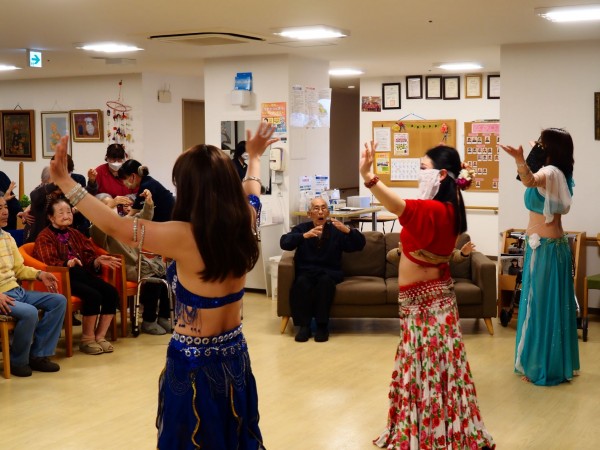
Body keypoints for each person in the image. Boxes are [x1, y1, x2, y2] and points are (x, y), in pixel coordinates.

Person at [49, 122, 277, 448]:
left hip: (192, 364)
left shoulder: (183, 236)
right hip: (235, 355)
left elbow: (114, 225)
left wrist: (65, 182)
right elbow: (252, 189)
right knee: (234, 435)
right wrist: (254, 157)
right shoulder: (245, 218)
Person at [360, 142, 495, 449]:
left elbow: (397, 206)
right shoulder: (449, 208)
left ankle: (431, 436)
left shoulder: (436, 210)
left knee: (428, 369)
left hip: (425, 306)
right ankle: (439, 431)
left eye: (423, 168)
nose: (419, 174)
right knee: (439, 369)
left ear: (442, 174)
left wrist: (369, 176)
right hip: (432, 302)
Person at [501, 128, 579, 386]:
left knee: (540, 306)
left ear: (551, 149)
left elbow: (530, 181)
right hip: (554, 247)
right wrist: (535, 154)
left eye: (543, 143)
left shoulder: (550, 173)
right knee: (553, 305)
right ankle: (554, 363)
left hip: (544, 249)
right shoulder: (562, 174)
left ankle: (541, 366)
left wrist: (519, 159)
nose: (539, 146)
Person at [33, 198, 122, 355]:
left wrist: (96, 261)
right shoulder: (44, 236)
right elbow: (47, 261)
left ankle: (100, 336)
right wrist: (67, 263)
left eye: (69, 212)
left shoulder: (75, 233)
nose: (66, 215)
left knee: (111, 292)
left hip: (82, 274)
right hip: (62, 278)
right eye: (61, 212)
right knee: (93, 295)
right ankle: (87, 340)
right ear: (51, 217)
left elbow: (88, 256)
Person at [280, 197, 366, 342]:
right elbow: (284, 242)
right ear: (309, 214)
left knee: (324, 283)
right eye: (316, 208)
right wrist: (303, 236)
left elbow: (360, 244)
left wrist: (348, 231)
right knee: (301, 283)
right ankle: (304, 326)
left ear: (328, 212)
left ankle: (322, 326)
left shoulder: (336, 230)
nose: (320, 211)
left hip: (329, 272)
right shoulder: (302, 229)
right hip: (307, 271)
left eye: (323, 208)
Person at [0, 195, 67, 377]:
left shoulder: (7, 238)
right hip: (2, 296)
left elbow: (19, 269)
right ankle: (18, 361)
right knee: (29, 312)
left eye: (5, 207)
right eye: (0, 209)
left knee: (58, 301)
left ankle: (38, 355)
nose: (5, 212)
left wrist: (40, 274)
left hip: (16, 291)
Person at [91, 191, 172, 335]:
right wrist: (109, 206)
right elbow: (98, 226)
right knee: (153, 279)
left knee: (166, 276)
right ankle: (149, 320)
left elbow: (142, 219)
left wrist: (148, 203)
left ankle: (163, 316)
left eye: (113, 205)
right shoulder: (98, 228)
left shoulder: (123, 222)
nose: (112, 207)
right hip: (123, 267)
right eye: (107, 205)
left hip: (140, 263)